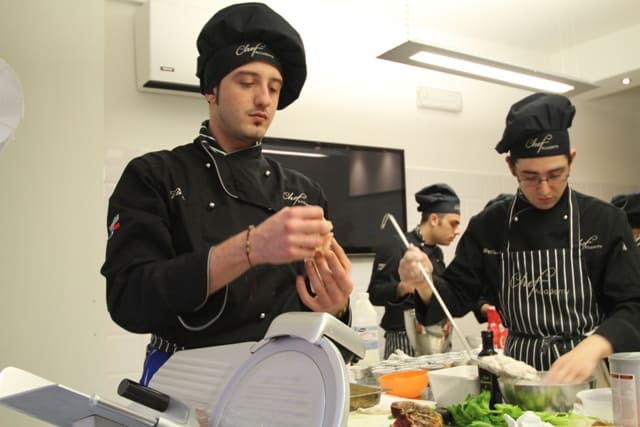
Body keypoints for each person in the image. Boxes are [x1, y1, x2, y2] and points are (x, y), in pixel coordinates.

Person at [101, 2, 352, 385]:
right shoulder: (154, 176)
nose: (264, 99)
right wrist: (251, 248)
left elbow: (331, 335)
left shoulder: (305, 192)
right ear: (212, 90)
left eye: (274, 87)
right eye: (247, 83)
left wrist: (337, 308)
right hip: (185, 384)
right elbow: (129, 301)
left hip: (284, 385)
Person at [398, 93, 640, 384]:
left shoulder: (605, 221)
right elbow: (456, 297)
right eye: (530, 177)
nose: (544, 189)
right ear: (511, 166)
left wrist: (594, 346)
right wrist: (424, 282)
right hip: (518, 379)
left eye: (556, 174)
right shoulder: (490, 225)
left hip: (590, 379)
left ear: (571, 160)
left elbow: (633, 306)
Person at [368, 184, 462, 358]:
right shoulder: (396, 245)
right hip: (404, 339)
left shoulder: (437, 253)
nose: (457, 231)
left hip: (438, 337)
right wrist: (405, 287)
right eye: (453, 224)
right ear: (434, 219)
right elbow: (374, 293)